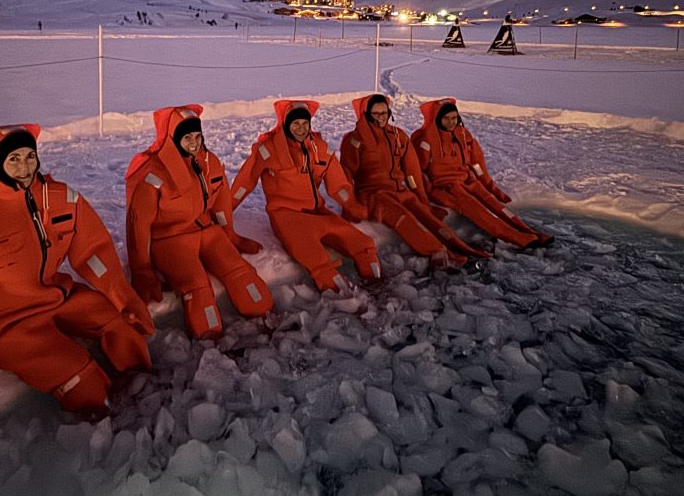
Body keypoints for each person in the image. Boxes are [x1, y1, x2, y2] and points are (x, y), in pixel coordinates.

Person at [0, 124, 153, 443]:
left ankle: (152, 403)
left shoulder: (60, 198)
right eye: (14, 158)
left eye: (30, 157)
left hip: (58, 298)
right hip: (4, 324)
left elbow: (92, 253)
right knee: (83, 381)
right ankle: (112, 445)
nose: (24, 166)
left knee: (125, 332)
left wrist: (124, 297)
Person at [125, 105, 273, 338]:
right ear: (174, 138)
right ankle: (210, 339)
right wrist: (141, 269)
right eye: (187, 137)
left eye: (197, 136)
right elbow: (138, 226)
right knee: (197, 284)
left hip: (207, 231)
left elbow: (222, 201)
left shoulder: (209, 162)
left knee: (239, 269)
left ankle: (266, 317)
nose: (194, 142)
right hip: (170, 241)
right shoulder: (153, 173)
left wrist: (230, 234)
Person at [231, 100, 380, 292]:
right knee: (319, 262)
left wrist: (352, 206)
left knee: (364, 245)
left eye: (305, 124)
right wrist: (224, 213)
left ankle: (378, 289)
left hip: (318, 213)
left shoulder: (318, 148)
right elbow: (244, 183)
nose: (301, 129)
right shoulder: (268, 149)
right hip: (288, 218)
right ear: (286, 124)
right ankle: (346, 302)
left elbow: (338, 185)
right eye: (295, 124)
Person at [339, 94, 490, 267]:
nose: (381, 118)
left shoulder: (398, 136)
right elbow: (346, 175)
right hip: (374, 195)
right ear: (366, 114)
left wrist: (422, 199)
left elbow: (412, 172)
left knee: (425, 215)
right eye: (376, 114)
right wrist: (350, 206)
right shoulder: (355, 140)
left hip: (399, 190)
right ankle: (438, 252)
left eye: (384, 113)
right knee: (404, 219)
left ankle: (461, 247)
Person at [411, 99, 552, 249]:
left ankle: (529, 231)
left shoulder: (463, 135)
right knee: (476, 209)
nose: (451, 122)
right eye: (446, 118)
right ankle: (515, 237)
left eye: (454, 118)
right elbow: (419, 171)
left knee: (495, 204)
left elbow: (476, 164)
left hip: (467, 180)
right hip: (445, 187)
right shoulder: (426, 140)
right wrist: (426, 196)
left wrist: (490, 186)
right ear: (438, 119)